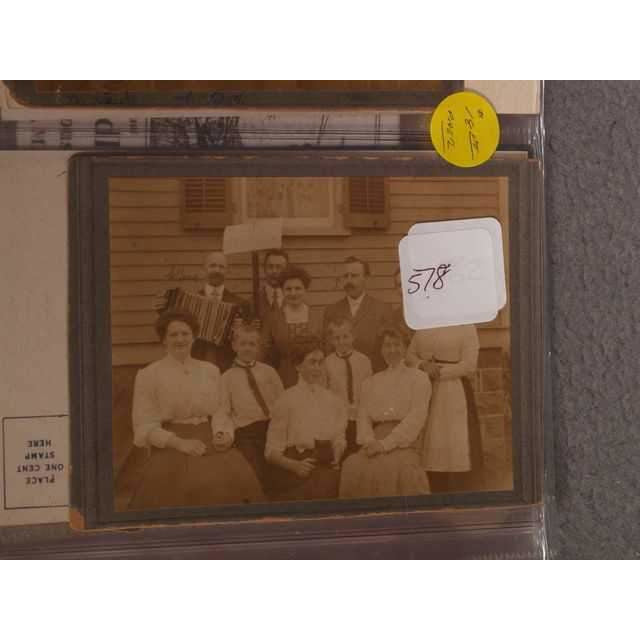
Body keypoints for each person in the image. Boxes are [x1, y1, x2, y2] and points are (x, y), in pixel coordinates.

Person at [127, 310, 264, 510]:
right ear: (163, 340)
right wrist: (179, 443)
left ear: (194, 337)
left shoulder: (210, 370)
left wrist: (223, 433)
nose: (180, 339)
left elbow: (220, 410)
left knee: (233, 481)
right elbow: (143, 425)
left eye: (185, 333)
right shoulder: (149, 375)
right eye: (173, 334)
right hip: (171, 443)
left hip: (210, 438)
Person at [339, 327, 431, 499]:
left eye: (397, 345)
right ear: (381, 350)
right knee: (352, 465)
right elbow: (363, 417)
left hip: (404, 443)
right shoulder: (371, 382)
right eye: (387, 345)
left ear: (405, 348)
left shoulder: (418, 378)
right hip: (374, 440)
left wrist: (384, 445)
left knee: (390, 468)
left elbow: (416, 419)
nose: (392, 350)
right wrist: (369, 441)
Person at [265, 335, 348, 502]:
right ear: (298, 365)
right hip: (295, 468)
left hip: (326, 467)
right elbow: (271, 452)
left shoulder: (332, 400)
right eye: (312, 362)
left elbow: (339, 437)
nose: (317, 368)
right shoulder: (286, 400)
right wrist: (295, 466)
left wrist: (337, 454)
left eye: (320, 362)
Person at [407, 324, 483, 493]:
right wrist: (422, 365)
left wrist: (440, 372)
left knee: (454, 443)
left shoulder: (466, 325)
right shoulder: (425, 322)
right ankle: (434, 488)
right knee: (430, 442)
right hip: (426, 388)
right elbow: (410, 355)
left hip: (454, 390)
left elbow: (470, 364)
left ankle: (458, 491)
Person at [153, 251, 252, 372]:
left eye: (221, 267)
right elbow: (172, 326)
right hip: (196, 363)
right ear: (204, 269)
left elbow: (247, 339)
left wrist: (239, 331)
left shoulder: (240, 304)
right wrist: (163, 310)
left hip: (228, 365)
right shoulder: (188, 302)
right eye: (213, 266)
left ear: (227, 271)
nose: (217, 270)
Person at [214, 323, 284, 488]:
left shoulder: (269, 372)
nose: (247, 348)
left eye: (252, 344)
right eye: (243, 344)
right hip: (247, 433)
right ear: (234, 346)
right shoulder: (227, 378)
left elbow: (283, 401)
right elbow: (223, 410)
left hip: (273, 427)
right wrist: (222, 432)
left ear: (258, 347)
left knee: (280, 468)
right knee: (256, 472)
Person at [323, 256, 393, 372]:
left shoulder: (382, 309)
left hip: (374, 373)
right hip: (340, 376)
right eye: (346, 276)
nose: (349, 281)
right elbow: (327, 347)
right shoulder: (331, 310)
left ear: (365, 278)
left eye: (354, 276)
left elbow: (389, 347)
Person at [260, 265, 323, 388]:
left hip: (315, 375)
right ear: (282, 291)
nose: (293, 293)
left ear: (305, 290)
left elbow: (326, 348)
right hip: (284, 376)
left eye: (298, 288)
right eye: (288, 289)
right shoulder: (273, 318)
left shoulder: (318, 316)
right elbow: (264, 351)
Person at [324, 317, 373, 459]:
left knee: (359, 453)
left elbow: (369, 389)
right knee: (342, 452)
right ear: (331, 341)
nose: (342, 341)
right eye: (337, 338)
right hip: (339, 417)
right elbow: (326, 392)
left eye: (345, 336)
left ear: (353, 336)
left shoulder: (364, 360)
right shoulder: (327, 363)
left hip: (360, 415)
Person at [257, 249, 290, 321]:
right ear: (264, 269)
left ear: (286, 270)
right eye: (270, 266)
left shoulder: (295, 300)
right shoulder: (253, 301)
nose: (274, 271)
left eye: (279, 267)